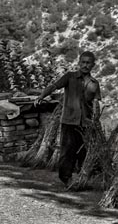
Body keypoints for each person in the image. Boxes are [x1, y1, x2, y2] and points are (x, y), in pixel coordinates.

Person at [34, 51, 102, 186]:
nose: (85, 65)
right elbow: (54, 86)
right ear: (79, 63)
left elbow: (96, 103)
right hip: (69, 121)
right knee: (67, 150)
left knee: (84, 151)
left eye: (88, 63)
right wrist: (41, 96)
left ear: (93, 65)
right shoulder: (69, 77)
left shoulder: (94, 83)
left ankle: (83, 180)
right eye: (83, 62)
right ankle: (66, 178)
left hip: (86, 123)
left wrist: (95, 120)